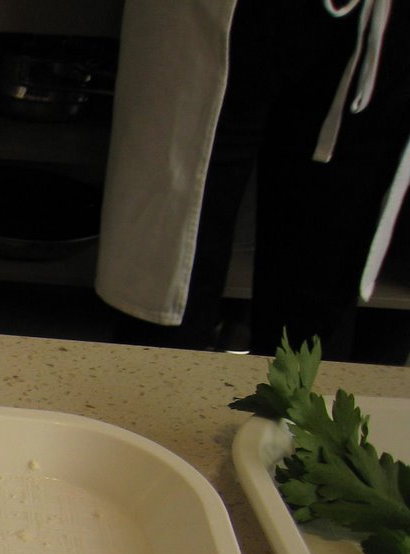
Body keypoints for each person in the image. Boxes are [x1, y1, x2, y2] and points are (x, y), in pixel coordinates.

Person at [97, 0, 409, 362]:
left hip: (377, 27)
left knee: (315, 308)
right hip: (207, 16)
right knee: (167, 285)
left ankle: (292, 400)